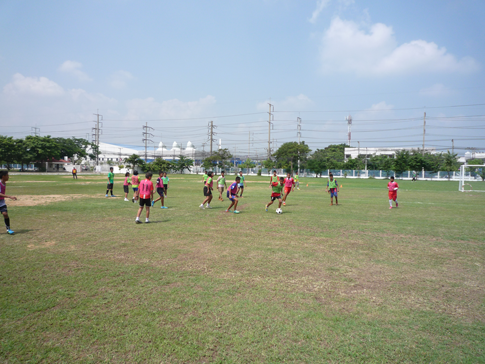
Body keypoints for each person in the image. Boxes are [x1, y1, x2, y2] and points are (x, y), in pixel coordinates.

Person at [0, 170, 17, 235]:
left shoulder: (4, 183)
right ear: (3, 176)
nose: (8, 177)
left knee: (5, 214)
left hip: (1, 202)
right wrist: (9, 196)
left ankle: (8, 229)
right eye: (7, 175)